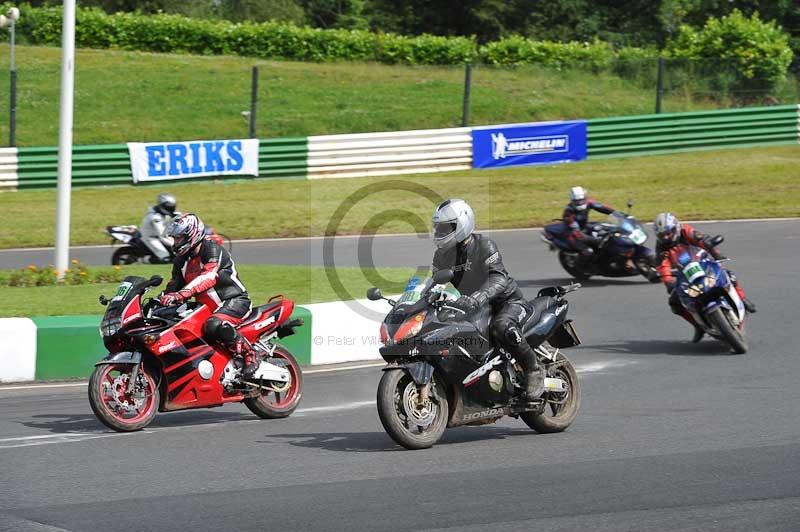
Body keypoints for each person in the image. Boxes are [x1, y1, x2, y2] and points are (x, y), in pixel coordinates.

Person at [431, 199, 545, 400]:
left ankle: (533, 370)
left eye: (446, 227)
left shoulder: (484, 245)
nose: (440, 232)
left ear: (462, 224)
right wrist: (421, 299)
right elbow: (435, 282)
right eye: (438, 228)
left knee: (501, 327)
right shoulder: (441, 256)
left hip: (506, 302)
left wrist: (478, 297)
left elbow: (498, 277)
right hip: (473, 307)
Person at [159, 213, 261, 378]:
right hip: (206, 309)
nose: (175, 242)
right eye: (174, 238)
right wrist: (161, 299)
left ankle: (251, 355)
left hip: (234, 301)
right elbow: (174, 285)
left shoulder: (211, 249)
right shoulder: (181, 260)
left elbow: (208, 277)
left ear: (191, 235)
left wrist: (182, 294)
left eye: (178, 238)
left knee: (213, 325)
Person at [654, 212, 756, 342]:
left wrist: (715, 252)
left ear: (676, 227)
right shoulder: (661, 248)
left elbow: (701, 239)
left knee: (729, 275)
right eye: (663, 235)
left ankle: (743, 299)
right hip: (686, 274)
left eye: (669, 232)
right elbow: (662, 267)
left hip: (704, 263)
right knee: (675, 302)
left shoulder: (686, 231)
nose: (667, 237)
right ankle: (698, 326)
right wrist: (668, 281)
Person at [561, 186, 615, 265]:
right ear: (572, 200)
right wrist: (593, 239)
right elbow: (574, 227)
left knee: (605, 229)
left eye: (581, 200)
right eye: (577, 201)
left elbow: (601, 207)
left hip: (584, 226)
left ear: (584, 197)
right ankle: (579, 265)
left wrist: (616, 213)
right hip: (573, 233)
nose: (580, 202)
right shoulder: (568, 210)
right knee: (588, 252)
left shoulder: (589, 203)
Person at [140, 193, 178, 264]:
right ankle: (142, 260)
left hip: (160, 235)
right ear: (162, 206)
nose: (171, 208)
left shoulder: (164, 213)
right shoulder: (155, 217)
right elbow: (162, 235)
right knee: (165, 257)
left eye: (172, 206)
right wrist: (175, 244)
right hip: (151, 238)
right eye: (168, 207)